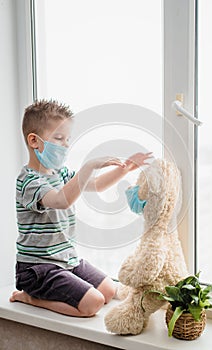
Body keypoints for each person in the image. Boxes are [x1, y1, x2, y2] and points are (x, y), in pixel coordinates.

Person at [9, 99, 152, 317]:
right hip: (37, 268)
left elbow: (95, 184)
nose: (65, 145)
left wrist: (124, 170)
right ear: (34, 141)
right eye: (58, 138)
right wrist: (89, 166)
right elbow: (60, 200)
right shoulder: (28, 181)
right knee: (92, 304)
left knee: (108, 290)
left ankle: (47, 291)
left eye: (67, 139)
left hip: (66, 259)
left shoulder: (61, 173)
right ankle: (30, 297)